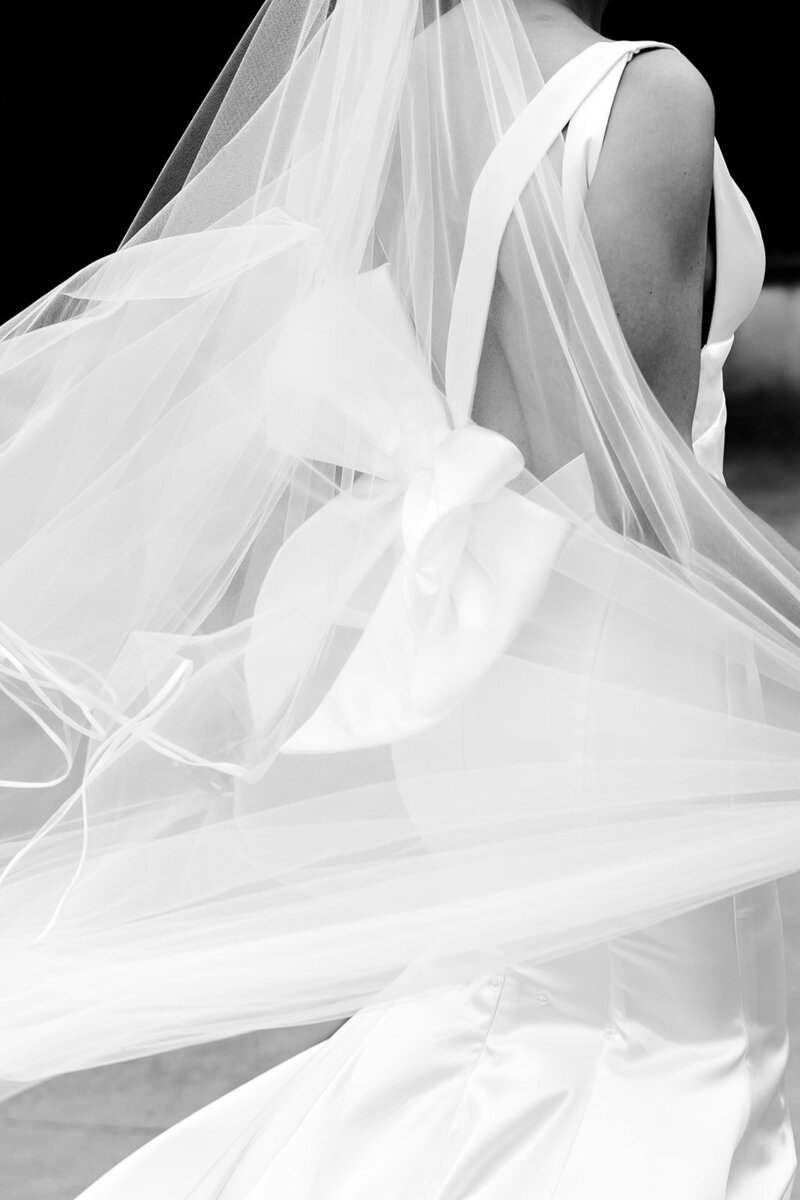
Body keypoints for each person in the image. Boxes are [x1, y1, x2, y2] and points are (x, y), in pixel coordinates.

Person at [2, 2, 800, 1197]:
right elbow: (638, 502)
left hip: (479, 664)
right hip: (630, 675)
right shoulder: (645, 95)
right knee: (684, 1057)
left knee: (507, 1031)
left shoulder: (408, 89)